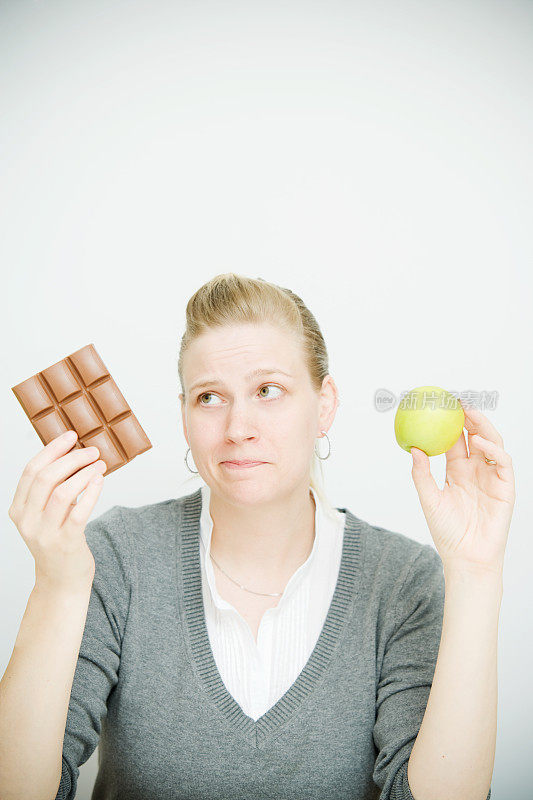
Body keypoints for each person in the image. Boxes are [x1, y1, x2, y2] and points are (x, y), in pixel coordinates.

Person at [2, 274, 511, 800]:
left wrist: (476, 572)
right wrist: (57, 584)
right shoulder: (114, 556)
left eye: (268, 390)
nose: (237, 427)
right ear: (184, 416)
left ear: (325, 404)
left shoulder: (404, 580)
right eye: (209, 397)